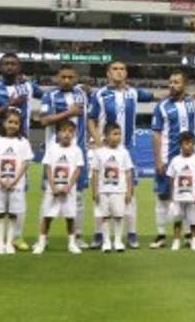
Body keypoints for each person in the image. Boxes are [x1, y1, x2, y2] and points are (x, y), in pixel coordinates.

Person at [89, 60, 160, 249]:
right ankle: (98, 235)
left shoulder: (133, 93)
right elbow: (91, 120)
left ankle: (131, 233)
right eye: (115, 69)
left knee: (130, 191)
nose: (119, 72)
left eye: (122, 69)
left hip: (128, 148)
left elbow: (156, 96)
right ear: (108, 73)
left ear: (126, 73)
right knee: (101, 191)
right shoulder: (100, 95)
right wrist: (98, 142)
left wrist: (182, 94)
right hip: (104, 150)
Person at [0, 53, 42, 251]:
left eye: (13, 64)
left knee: (18, 193)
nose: (10, 67)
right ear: (0, 67)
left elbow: (53, 94)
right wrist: (8, 105)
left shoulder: (29, 87)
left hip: (20, 148)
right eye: (6, 64)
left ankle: (17, 237)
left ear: (19, 67)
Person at [38, 64, 91, 249]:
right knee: (49, 196)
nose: (67, 80)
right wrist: (69, 113)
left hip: (77, 152)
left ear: (76, 78)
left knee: (78, 196)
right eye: (63, 77)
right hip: (55, 151)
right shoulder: (49, 95)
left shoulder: (82, 94)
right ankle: (42, 239)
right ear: (57, 78)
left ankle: (77, 236)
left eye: (70, 77)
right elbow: (43, 120)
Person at [150, 71, 195, 249]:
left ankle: (189, 235)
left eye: (177, 82)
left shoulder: (193, 103)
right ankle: (161, 235)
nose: (172, 85)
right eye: (170, 82)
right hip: (167, 158)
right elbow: (156, 134)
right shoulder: (162, 106)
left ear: (185, 85)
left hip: (189, 159)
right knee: (163, 196)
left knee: (189, 196)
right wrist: (158, 160)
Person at [33, 120, 84, 256]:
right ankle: (41, 242)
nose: (67, 134)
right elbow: (48, 168)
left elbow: (78, 170)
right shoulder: (52, 148)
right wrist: (53, 186)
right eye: (64, 131)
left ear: (74, 134)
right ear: (58, 133)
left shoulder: (77, 150)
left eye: (70, 131)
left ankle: (72, 243)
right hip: (52, 189)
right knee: (47, 216)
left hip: (69, 190)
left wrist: (69, 186)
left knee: (70, 217)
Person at [0, 109, 33, 255]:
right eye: (10, 122)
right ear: (3, 123)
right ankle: (0, 243)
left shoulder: (23, 142)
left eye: (16, 123)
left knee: (13, 213)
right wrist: (1, 180)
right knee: (0, 213)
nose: (12, 125)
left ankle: (9, 243)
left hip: (17, 185)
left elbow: (25, 163)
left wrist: (15, 181)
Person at [90, 122, 134, 253]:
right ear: (106, 136)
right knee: (104, 216)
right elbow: (95, 172)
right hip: (103, 190)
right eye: (114, 134)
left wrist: (129, 191)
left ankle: (118, 241)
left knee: (119, 215)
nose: (118, 137)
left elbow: (128, 172)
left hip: (119, 190)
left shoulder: (124, 153)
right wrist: (94, 190)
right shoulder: (99, 153)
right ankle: (106, 242)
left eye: (119, 134)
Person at [164, 132, 195, 251]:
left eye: (192, 143)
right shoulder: (175, 160)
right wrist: (171, 197)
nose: (190, 146)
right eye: (187, 143)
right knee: (177, 219)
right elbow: (171, 179)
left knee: (194, 220)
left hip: (193, 197)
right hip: (178, 197)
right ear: (180, 145)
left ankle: (194, 240)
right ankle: (176, 240)